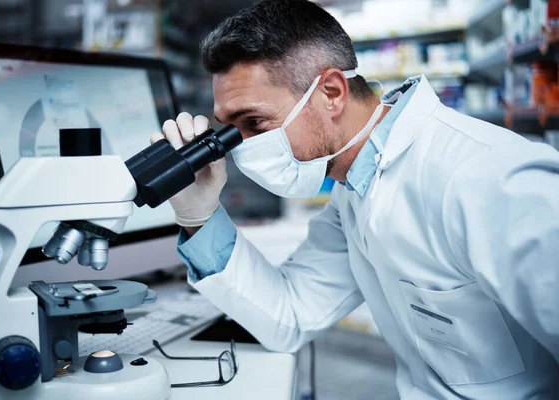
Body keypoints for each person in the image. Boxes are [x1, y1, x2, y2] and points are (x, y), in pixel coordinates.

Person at [151, 0, 559, 398]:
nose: (241, 148)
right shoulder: (354, 191)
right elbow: (291, 315)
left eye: (254, 123)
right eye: (230, 129)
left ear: (331, 92)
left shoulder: (491, 180)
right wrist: (199, 215)